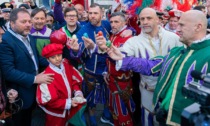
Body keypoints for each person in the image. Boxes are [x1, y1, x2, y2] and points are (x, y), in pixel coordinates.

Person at [106, 10, 210, 125]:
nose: (178, 29)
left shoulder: (203, 52)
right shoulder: (177, 52)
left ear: (198, 27)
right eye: (142, 19)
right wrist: (123, 58)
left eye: (182, 25)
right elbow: (153, 66)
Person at [98, 7, 182, 126]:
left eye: (149, 18)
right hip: (148, 92)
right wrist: (106, 49)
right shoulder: (134, 41)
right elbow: (121, 54)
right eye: (142, 19)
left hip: (170, 92)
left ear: (158, 20)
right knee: (148, 119)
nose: (145, 22)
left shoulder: (174, 38)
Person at [0, 8, 54, 126]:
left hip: (30, 93)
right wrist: (35, 79)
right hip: (17, 95)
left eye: (29, 21)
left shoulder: (29, 37)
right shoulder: (6, 41)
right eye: (23, 22)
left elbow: (36, 58)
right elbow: (8, 72)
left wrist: (56, 63)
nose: (28, 25)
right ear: (12, 23)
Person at [97, 12, 135, 126]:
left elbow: (124, 60)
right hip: (111, 80)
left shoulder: (129, 38)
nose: (113, 24)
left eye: (116, 22)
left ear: (124, 22)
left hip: (122, 83)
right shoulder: (113, 35)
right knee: (115, 112)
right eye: (112, 22)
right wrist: (105, 72)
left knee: (124, 114)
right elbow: (108, 58)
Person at [36, 43, 86, 126]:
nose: (57, 59)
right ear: (48, 59)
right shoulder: (46, 76)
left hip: (69, 110)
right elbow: (50, 102)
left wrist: (77, 92)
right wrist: (68, 103)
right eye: (53, 57)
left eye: (59, 55)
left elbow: (74, 81)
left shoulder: (66, 65)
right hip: (56, 115)